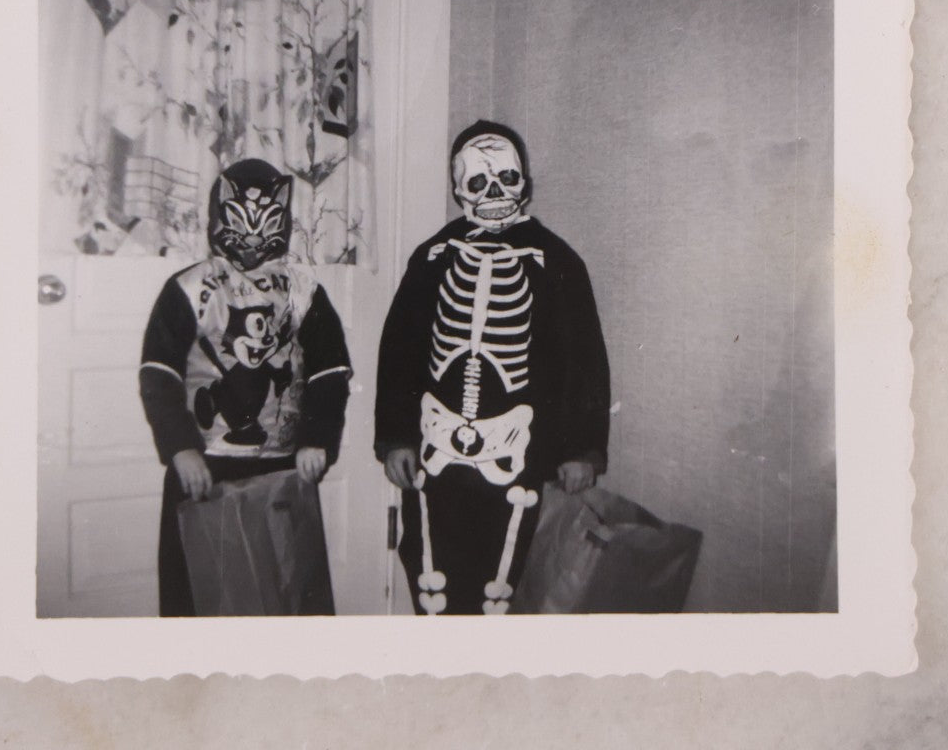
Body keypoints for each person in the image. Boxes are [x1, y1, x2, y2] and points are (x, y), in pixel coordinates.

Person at [375, 120, 610, 615]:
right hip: (436, 452)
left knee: (500, 584)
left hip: (518, 451)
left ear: (526, 182)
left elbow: (584, 360)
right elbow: (399, 351)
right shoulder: (432, 257)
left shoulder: (558, 261)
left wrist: (581, 449)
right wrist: (395, 437)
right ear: (457, 189)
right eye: (479, 182)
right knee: (431, 579)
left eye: (507, 177)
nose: (496, 192)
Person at [139, 158, 351, 616]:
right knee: (201, 597)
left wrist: (317, 438)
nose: (253, 239)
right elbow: (159, 373)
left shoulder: (303, 290)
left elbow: (329, 371)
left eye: (267, 225)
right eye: (240, 223)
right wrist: (180, 448)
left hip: (282, 466)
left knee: (284, 592)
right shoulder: (189, 287)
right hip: (206, 465)